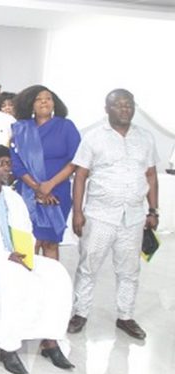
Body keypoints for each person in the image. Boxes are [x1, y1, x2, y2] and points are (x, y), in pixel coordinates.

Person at [0, 145, 74, 374]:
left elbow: (25, 229)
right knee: (14, 280)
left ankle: (50, 341)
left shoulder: (14, 197)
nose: (7, 169)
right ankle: (8, 348)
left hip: (17, 255)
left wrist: (25, 252)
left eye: (9, 164)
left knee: (57, 275)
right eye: (1, 164)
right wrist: (5, 255)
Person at [68, 89, 158, 340]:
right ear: (106, 109)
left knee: (129, 270)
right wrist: (78, 212)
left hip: (134, 216)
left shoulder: (145, 138)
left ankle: (126, 316)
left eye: (129, 105)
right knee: (89, 266)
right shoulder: (94, 138)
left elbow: (150, 174)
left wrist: (153, 210)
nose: (125, 109)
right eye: (118, 105)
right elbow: (81, 176)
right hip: (100, 215)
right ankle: (80, 313)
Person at [9, 85, 80, 260]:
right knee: (30, 242)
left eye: (48, 98)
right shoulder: (21, 129)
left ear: (54, 103)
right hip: (28, 192)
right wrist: (37, 188)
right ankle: (28, 284)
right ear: (30, 104)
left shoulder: (66, 126)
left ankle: (51, 284)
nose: (44, 102)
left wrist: (50, 185)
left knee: (50, 242)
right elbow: (16, 164)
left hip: (58, 192)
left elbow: (77, 160)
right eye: (38, 99)